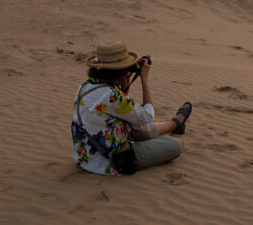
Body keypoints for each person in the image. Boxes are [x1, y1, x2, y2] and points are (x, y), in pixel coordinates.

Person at [71, 43, 192, 176]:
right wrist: (144, 79)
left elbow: (122, 113)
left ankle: (174, 124)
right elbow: (147, 116)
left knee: (138, 127)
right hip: (111, 161)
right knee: (174, 145)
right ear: (120, 70)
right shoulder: (112, 95)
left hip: (85, 158)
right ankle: (175, 124)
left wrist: (124, 89)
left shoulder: (85, 86)